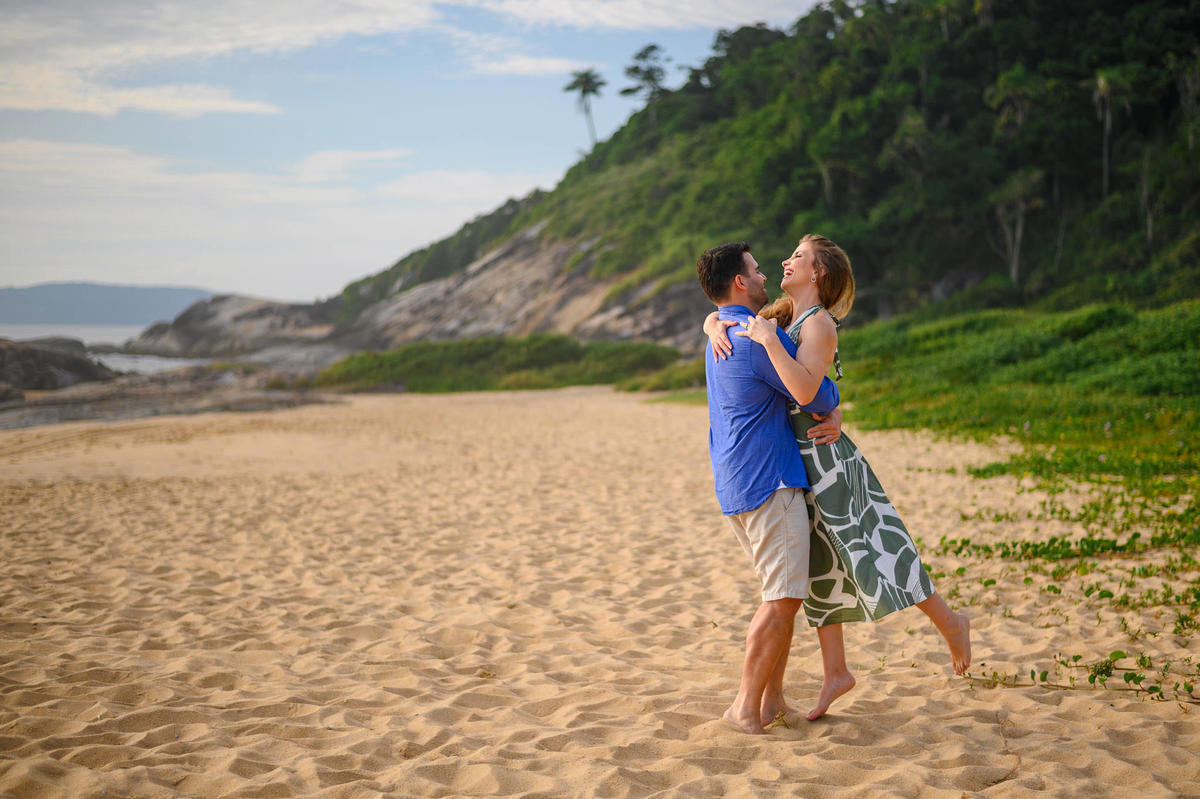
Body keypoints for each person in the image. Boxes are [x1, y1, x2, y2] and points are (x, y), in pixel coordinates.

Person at [704, 234, 972, 721]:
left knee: (877, 546)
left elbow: (810, 390)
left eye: (797, 257)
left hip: (821, 459)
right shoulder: (777, 318)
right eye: (767, 265)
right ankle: (830, 674)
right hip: (794, 461)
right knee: (817, 571)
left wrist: (832, 405)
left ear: (818, 272)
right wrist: (713, 322)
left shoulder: (812, 323)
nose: (782, 263)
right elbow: (735, 320)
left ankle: (949, 623)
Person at [696, 241, 846, 735]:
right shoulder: (756, 340)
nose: (765, 277)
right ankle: (744, 706)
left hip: (736, 483)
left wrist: (710, 322)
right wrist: (835, 401)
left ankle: (771, 701)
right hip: (770, 482)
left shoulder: (720, 333)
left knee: (780, 595)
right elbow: (814, 393)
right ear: (740, 282)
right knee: (781, 600)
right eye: (757, 271)